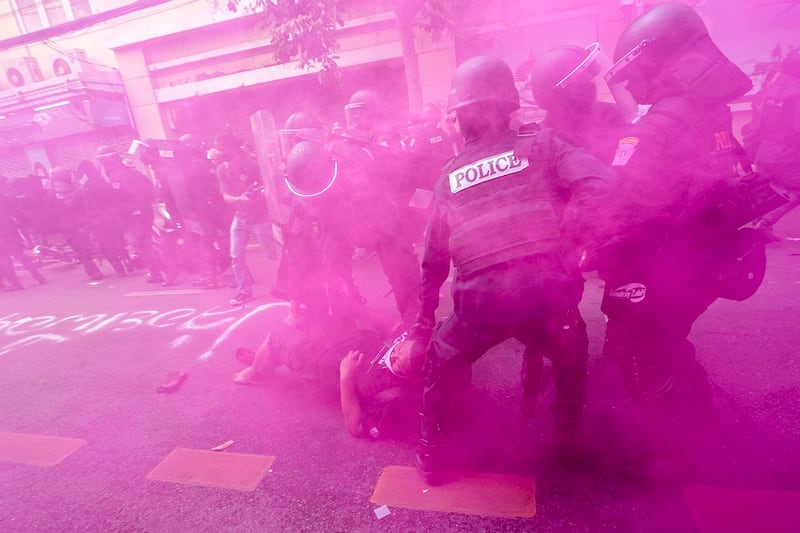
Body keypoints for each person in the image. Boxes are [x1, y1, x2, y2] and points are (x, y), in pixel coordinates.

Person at [410, 55, 615, 484]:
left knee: (439, 362)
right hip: (545, 296)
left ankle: (430, 454)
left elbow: (432, 260)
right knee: (571, 346)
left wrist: (422, 324)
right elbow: (600, 186)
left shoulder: (448, 177)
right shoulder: (542, 146)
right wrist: (572, 245)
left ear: (461, 117)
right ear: (509, 107)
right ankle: (567, 439)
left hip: (479, 308)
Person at [598, 2, 768, 480]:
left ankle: (676, 454)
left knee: (637, 353)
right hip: (706, 263)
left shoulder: (654, 130)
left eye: (635, 70)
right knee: (671, 341)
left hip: (665, 268)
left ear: (657, 59)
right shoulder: (713, 115)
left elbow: (621, 204)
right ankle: (704, 418)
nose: (633, 83)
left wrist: (592, 240)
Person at [233, 312, 425, 439]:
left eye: (399, 362)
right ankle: (269, 357)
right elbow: (390, 324)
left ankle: (256, 372)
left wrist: (346, 376)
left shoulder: (392, 394)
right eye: (398, 349)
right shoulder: (413, 340)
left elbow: (355, 426)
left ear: (408, 376)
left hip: (319, 364)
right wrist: (354, 306)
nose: (394, 354)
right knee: (301, 316)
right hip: (334, 340)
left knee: (277, 334)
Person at [215, 132, 279, 306]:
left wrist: (259, 195)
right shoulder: (222, 168)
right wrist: (239, 200)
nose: (219, 151)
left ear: (232, 146)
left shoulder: (250, 163)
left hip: (260, 218)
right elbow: (225, 196)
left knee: (273, 254)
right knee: (236, 256)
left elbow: (267, 184)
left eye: (222, 148)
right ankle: (244, 291)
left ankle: (288, 284)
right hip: (240, 218)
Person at [746, 47, 800, 237]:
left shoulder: (772, 89)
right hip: (787, 155)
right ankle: (765, 222)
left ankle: (761, 228)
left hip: (764, 152)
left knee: (766, 193)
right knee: (795, 192)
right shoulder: (797, 92)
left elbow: (758, 121)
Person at [96, 145, 162, 283]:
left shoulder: (120, 175)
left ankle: (159, 273)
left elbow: (128, 196)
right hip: (140, 212)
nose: (102, 164)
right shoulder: (124, 170)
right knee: (145, 244)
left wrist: (131, 210)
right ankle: (159, 271)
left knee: (144, 245)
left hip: (136, 215)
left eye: (102, 160)